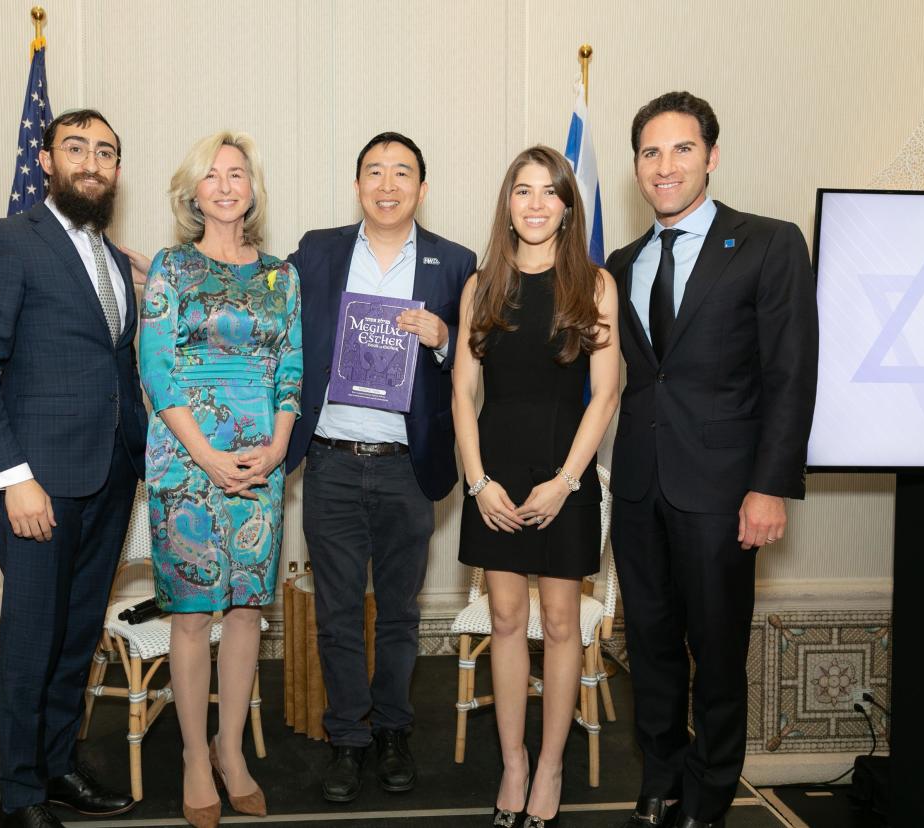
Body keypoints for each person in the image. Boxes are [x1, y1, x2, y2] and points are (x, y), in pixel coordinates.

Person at [606, 92, 818, 828]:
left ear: (712, 156)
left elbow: (792, 375)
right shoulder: (619, 262)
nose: (665, 167)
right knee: (651, 648)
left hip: (726, 493)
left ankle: (712, 791)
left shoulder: (767, 243)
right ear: (636, 165)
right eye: (650, 153)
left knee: (718, 655)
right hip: (637, 489)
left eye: (681, 149)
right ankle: (660, 776)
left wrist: (769, 487)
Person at [0, 108, 145, 828]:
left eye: (106, 152)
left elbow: (111, 361)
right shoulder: (7, 241)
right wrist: (11, 478)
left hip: (112, 476)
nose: (92, 163)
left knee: (75, 638)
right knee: (32, 641)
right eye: (76, 149)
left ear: (117, 171)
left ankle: (58, 766)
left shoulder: (116, 261)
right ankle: (20, 798)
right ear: (45, 161)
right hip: (39, 485)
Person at [285, 132, 475, 803]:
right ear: (358, 183)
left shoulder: (455, 264)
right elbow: (261, 307)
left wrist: (446, 340)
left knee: (398, 613)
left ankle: (393, 728)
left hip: (405, 468)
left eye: (402, 173)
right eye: (374, 171)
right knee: (337, 614)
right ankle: (347, 738)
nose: (387, 184)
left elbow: (480, 366)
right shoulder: (317, 251)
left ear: (422, 188)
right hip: (333, 463)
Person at [453, 146, 620, 828]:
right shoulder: (481, 284)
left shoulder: (595, 284)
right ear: (508, 203)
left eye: (549, 192)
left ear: (567, 205)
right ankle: (514, 762)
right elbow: (463, 391)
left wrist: (567, 482)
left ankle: (551, 764)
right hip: (494, 474)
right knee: (504, 622)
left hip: (564, 474)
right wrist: (477, 482)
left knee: (558, 625)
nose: (535, 204)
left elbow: (606, 394)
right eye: (522, 191)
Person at [139, 131, 301, 828]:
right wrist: (206, 455)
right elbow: (156, 369)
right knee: (192, 613)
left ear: (253, 188)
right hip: (186, 463)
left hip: (259, 466)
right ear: (193, 192)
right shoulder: (171, 269)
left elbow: (292, 371)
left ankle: (232, 752)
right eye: (213, 175)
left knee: (245, 614)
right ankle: (194, 759)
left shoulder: (281, 276)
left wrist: (277, 452)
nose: (226, 184)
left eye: (238, 173)